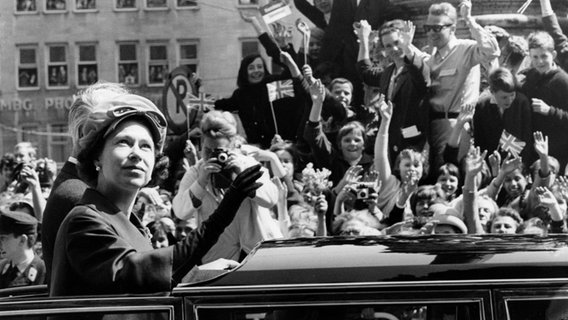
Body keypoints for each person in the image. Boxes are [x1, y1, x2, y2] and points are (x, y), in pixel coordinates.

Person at [50, 92, 263, 296]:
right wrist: (227, 207)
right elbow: (138, 274)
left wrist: (199, 274)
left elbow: (154, 280)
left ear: (154, 164)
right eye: (123, 142)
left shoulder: (131, 223)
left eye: (145, 146)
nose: (136, 154)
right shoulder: (85, 219)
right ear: (97, 157)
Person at [43, 82, 129, 285]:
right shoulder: (78, 197)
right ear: (85, 134)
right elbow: (127, 275)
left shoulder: (83, 187)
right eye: (118, 136)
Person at [403, 0, 500, 176]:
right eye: (428, 28)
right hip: (430, 126)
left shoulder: (466, 49)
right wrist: (407, 46)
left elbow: (491, 51)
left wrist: (469, 20)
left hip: (455, 124)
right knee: (429, 176)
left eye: (437, 28)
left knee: (449, 175)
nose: (432, 32)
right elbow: (416, 64)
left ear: (452, 28)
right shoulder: (431, 56)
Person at [172, 110, 281, 264]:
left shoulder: (248, 164)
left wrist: (242, 175)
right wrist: (201, 183)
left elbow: (271, 199)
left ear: (233, 145)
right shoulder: (196, 172)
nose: (212, 156)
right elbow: (180, 212)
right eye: (208, 150)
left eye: (220, 151)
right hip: (219, 258)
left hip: (258, 252)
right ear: (202, 142)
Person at [356, 19, 428, 165]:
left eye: (397, 43)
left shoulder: (416, 67)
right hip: (390, 142)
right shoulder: (388, 72)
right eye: (388, 46)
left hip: (413, 142)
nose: (394, 49)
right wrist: (363, 39)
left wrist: (407, 47)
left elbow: (421, 76)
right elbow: (365, 72)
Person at [520, 31, 568, 170]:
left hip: (558, 154)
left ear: (553, 55)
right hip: (534, 151)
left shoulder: (562, 81)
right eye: (535, 57)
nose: (539, 61)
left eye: (544, 56)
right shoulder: (530, 76)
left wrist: (550, 111)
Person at [473, 67, 535, 166]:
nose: (509, 100)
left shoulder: (521, 102)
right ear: (492, 92)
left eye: (512, 95)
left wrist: (523, 164)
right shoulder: (482, 105)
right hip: (491, 162)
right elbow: (479, 140)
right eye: (504, 97)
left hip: (515, 162)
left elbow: (527, 137)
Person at [0, 208, 45, 288]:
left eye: (3, 238)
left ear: (22, 240)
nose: (1, 243)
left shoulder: (44, 272)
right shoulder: (2, 268)